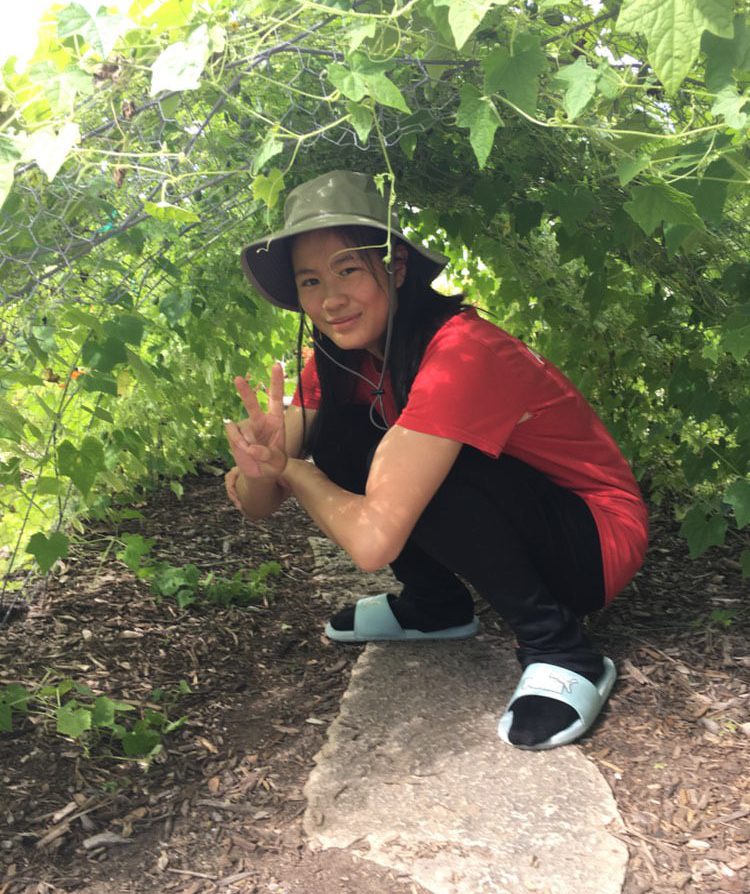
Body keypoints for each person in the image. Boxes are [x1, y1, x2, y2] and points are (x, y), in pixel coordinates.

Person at [224, 170, 648, 751]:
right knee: (344, 432)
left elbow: (371, 542)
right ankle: (436, 605)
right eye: (311, 281)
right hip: (526, 525)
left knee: (425, 462)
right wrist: (260, 466)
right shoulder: (337, 363)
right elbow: (258, 504)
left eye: (349, 269)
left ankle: (561, 649)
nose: (331, 298)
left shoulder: (462, 351)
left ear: (395, 269)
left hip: (593, 542)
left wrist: (296, 471)